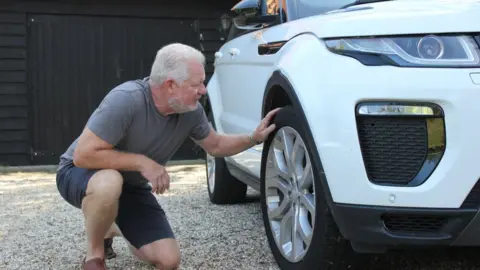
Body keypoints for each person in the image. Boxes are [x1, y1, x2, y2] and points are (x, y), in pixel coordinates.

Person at [55, 43, 280, 270]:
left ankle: (111, 223)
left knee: (168, 260)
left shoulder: (191, 112)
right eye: (197, 83)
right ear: (171, 85)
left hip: (130, 187)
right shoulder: (126, 100)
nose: (203, 89)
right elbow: (83, 156)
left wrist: (253, 137)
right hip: (80, 174)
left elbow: (216, 144)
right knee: (110, 182)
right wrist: (143, 162)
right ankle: (95, 255)